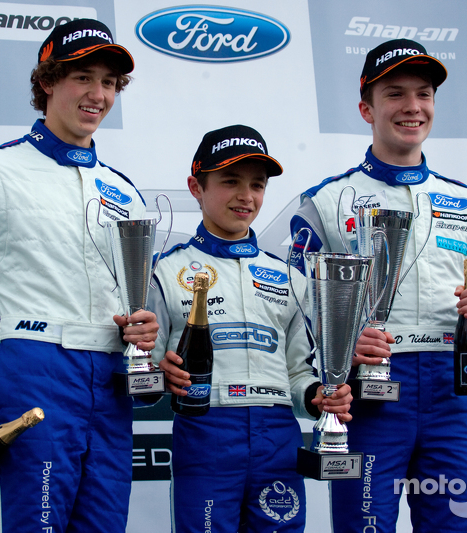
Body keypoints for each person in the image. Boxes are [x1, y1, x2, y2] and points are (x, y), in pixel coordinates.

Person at [0, 19, 158, 532]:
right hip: (34, 371)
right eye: (84, 78)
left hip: (112, 383)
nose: (98, 95)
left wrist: (144, 333)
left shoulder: (126, 194)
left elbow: (139, 305)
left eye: (110, 83)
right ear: (47, 82)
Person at [290, 39, 467, 532]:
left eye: (424, 93)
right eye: (396, 93)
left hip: (450, 396)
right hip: (369, 393)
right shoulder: (325, 202)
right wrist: (342, 350)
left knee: (455, 524)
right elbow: (298, 302)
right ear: (366, 108)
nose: (412, 107)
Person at [147, 125, 353, 533]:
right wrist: (159, 373)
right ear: (196, 186)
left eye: (257, 185)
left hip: (276, 435)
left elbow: (299, 372)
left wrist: (317, 397)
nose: (246, 196)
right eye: (230, 182)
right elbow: (141, 373)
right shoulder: (165, 271)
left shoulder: (290, 278)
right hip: (206, 430)